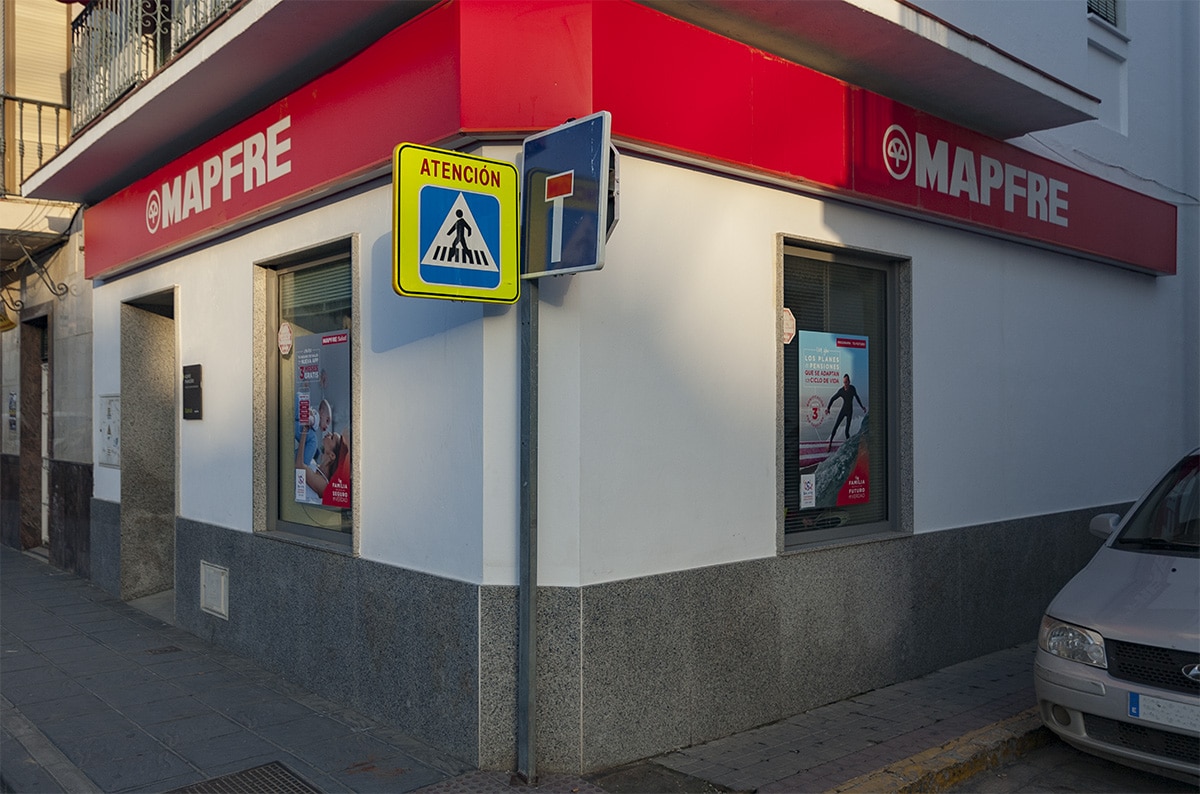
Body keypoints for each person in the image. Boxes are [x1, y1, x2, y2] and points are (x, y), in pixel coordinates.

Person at [296, 424, 348, 504]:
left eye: (332, 437)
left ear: (332, 455)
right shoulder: (314, 464)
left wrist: (304, 432)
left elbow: (300, 467)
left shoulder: (324, 485)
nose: (329, 433)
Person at [826, 374, 866, 451]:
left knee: (846, 431)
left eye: (846, 382)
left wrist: (862, 407)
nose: (845, 384)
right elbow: (833, 398)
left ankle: (849, 446)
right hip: (843, 410)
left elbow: (857, 397)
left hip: (849, 411)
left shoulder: (852, 389)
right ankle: (830, 443)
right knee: (835, 426)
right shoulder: (841, 391)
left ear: (849, 382)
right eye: (844, 382)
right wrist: (828, 408)